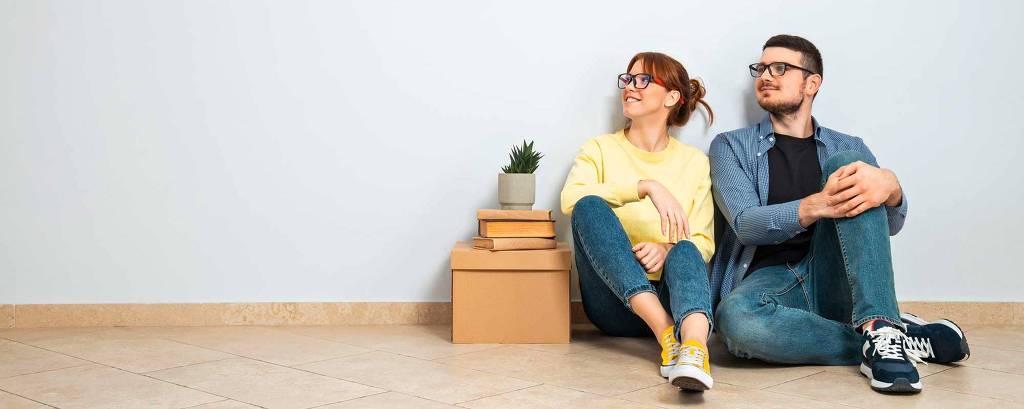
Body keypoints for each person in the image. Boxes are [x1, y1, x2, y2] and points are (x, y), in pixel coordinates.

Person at [710, 34, 970, 394]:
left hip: (836, 277)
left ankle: (879, 327)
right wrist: (818, 204)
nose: (765, 75)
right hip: (770, 281)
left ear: (811, 83)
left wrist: (892, 188)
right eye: (761, 68)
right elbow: (744, 225)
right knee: (737, 323)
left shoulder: (850, 147)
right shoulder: (729, 146)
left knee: (850, 167)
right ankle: (887, 339)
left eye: (780, 68)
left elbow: (887, 226)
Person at [560, 51, 716, 391]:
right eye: (627, 79)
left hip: (674, 298)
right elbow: (570, 200)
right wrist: (646, 187)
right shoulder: (599, 149)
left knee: (687, 250)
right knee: (589, 205)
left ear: (672, 97)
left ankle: (693, 349)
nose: (630, 86)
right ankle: (665, 335)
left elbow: (704, 241)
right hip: (615, 306)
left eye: (643, 80)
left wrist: (666, 247)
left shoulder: (694, 163)